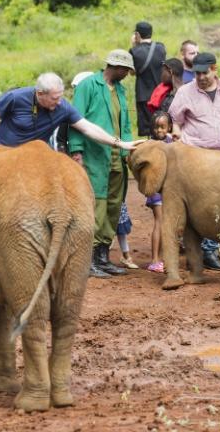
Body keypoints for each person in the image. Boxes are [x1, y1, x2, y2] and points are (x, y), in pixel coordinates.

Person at [169, 52, 220, 271]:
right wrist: (176, 137)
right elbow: (176, 122)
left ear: (214, 69)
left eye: (204, 72)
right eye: (197, 73)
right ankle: (205, 251)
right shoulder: (185, 92)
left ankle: (214, 248)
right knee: (201, 205)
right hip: (197, 159)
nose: (200, 77)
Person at [69, 50, 136, 279]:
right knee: (96, 205)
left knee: (113, 206)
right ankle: (87, 260)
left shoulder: (120, 90)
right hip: (94, 155)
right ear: (116, 67)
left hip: (117, 156)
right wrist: (77, 150)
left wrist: (128, 150)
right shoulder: (88, 86)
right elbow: (75, 120)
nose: (127, 75)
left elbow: (124, 123)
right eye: (126, 70)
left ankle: (102, 256)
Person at [0, 72, 142, 151]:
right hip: (4, 151)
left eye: (60, 97)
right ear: (40, 93)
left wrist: (120, 143)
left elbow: (88, 128)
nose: (59, 102)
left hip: (34, 157)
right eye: (54, 98)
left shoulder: (62, 107)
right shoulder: (15, 97)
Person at [146, 111, 174, 274]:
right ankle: (155, 259)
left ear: (169, 127)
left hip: (169, 188)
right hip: (156, 189)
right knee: (160, 221)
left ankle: (163, 258)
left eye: (163, 127)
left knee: (168, 222)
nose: (159, 131)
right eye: (156, 127)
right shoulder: (149, 144)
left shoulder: (172, 142)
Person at [129, 21, 166, 136]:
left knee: (148, 128)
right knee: (160, 124)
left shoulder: (134, 51)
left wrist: (134, 46)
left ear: (137, 35)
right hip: (160, 93)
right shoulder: (161, 47)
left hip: (143, 95)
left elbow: (132, 72)